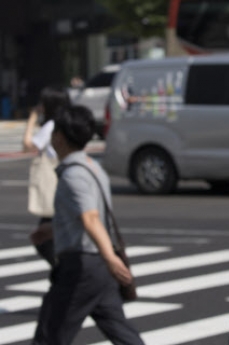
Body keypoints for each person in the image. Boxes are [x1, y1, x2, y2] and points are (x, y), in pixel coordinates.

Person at [32, 105, 144, 345]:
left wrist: (110, 259)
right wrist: (53, 229)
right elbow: (88, 216)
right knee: (121, 332)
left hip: (82, 266)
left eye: (53, 132)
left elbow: (91, 218)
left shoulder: (74, 175)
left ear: (59, 137)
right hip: (97, 268)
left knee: (50, 333)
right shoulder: (93, 168)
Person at [23, 86, 71, 265]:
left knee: (43, 238)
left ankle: (63, 270)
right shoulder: (66, 123)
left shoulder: (50, 126)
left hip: (54, 191)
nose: (40, 106)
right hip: (66, 185)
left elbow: (27, 145)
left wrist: (32, 118)